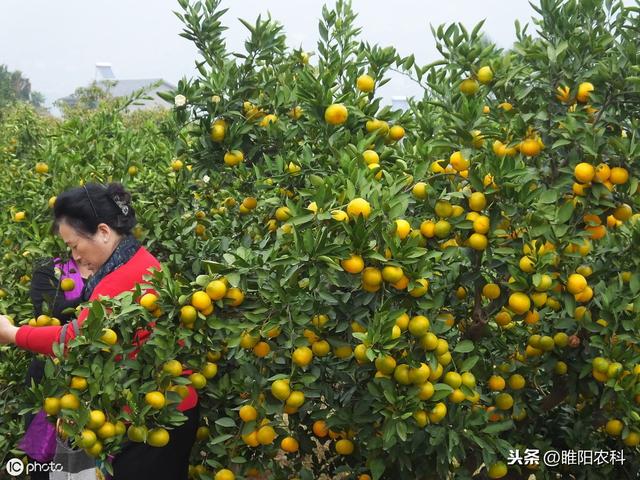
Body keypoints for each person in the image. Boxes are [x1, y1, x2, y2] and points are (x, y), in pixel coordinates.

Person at [0, 182, 199, 480]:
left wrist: (13, 333)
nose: (75, 256)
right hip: (155, 412)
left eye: (74, 245)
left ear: (104, 232)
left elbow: (74, 339)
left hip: (158, 417)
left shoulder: (124, 278)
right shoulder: (132, 262)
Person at [23, 254, 92, 480]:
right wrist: (101, 297)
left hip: (95, 384)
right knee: (44, 462)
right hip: (50, 382)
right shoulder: (50, 269)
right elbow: (52, 313)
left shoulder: (117, 266)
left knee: (91, 460)